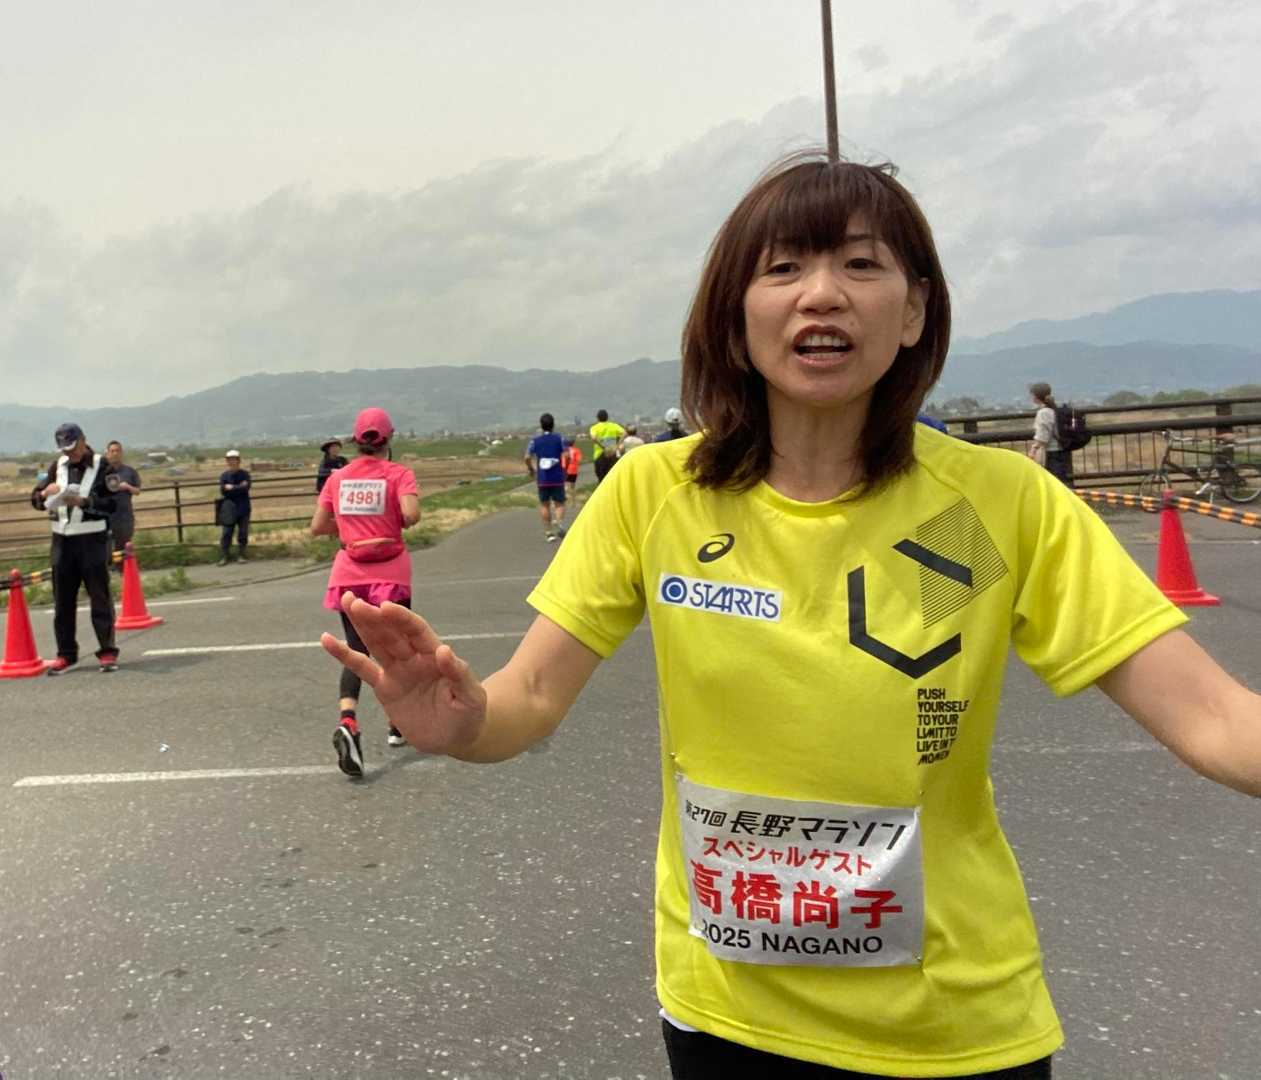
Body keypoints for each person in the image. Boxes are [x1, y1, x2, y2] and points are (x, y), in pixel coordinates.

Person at [320, 153, 1261, 1078]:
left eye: (860, 263)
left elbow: (1214, 717)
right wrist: (464, 722)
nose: (822, 294)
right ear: (735, 318)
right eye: (782, 268)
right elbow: (528, 693)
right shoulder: (655, 493)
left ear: (914, 310)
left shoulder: (996, 504)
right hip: (725, 1015)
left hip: (953, 1023)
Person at [310, 407, 420, 778]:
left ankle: (349, 721)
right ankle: (397, 725)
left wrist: (348, 527)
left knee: (356, 651)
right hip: (390, 574)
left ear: (355, 441)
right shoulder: (398, 473)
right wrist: (388, 519)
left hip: (348, 575)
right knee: (396, 651)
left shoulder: (338, 478)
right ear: (389, 438)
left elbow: (317, 526)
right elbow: (411, 514)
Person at [29, 422, 119, 674]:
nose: (69, 453)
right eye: (64, 449)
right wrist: (44, 494)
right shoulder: (56, 466)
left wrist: (84, 502)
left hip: (92, 541)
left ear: (83, 440)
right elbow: (35, 500)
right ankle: (66, 654)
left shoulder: (103, 465)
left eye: (72, 447)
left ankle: (107, 651)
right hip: (62, 542)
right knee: (62, 602)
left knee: (99, 597)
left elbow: (113, 505)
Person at [524, 413, 568, 542]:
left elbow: (527, 457)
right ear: (553, 425)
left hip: (543, 478)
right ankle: (559, 523)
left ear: (541, 425)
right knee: (559, 503)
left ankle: (549, 533)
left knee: (544, 504)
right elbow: (567, 455)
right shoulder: (559, 438)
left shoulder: (535, 441)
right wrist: (565, 469)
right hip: (557, 477)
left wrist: (531, 469)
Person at [105, 439, 142, 563]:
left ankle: (122, 570)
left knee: (123, 546)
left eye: (117, 451)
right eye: (112, 451)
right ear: (108, 453)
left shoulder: (130, 471)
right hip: (107, 516)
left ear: (121, 453)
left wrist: (127, 487)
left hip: (125, 516)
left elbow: (137, 491)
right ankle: (109, 569)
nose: (115, 453)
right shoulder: (102, 472)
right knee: (106, 547)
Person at [1026, 383, 1069, 485]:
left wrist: (1033, 449)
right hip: (1060, 449)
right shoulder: (1053, 409)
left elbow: (1043, 437)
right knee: (1060, 481)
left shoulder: (1043, 413)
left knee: (1052, 482)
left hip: (1050, 453)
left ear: (1036, 397)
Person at [217, 450, 251, 565]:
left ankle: (241, 555)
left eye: (234, 459)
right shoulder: (224, 475)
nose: (232, 462)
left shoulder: (245, 474)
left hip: (243, 507)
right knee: (226, 533)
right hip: (229, 508)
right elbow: (223, 491)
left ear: (238, 461)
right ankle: (224, 556)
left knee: (243, 532)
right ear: (227, 461)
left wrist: (231, 487)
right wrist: (238, 487)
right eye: (229, 460)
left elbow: (246, 488)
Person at [589, 409, 626, 485]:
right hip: (612, 454)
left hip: (599, 455)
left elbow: (593, 438)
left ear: (597, 418)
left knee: (601, 479)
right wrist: (617, 445)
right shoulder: (614, 426)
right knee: (612, 478)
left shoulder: (594, 428)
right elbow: (625, 433)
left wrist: (603, 447)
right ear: (607, 417)